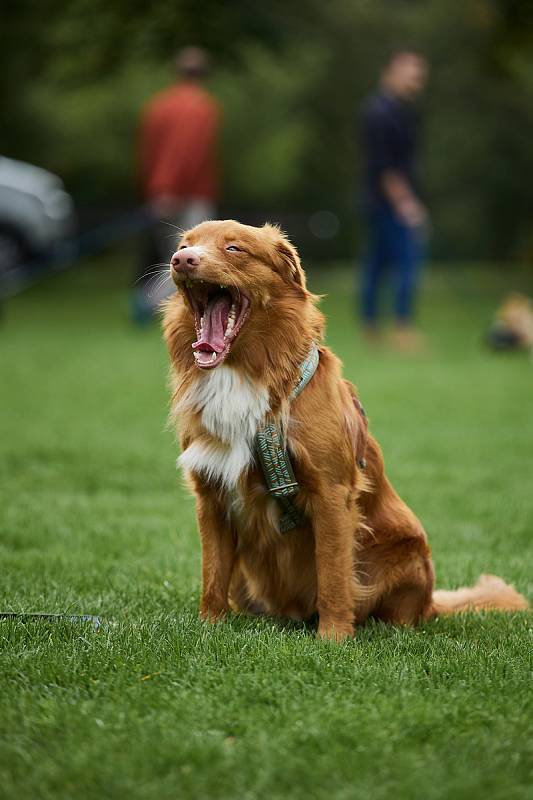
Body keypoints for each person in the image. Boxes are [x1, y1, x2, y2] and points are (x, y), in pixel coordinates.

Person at [132, 47, 221, 322]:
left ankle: (160, 309)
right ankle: (146, 305)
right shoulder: (202, 107)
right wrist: (169, 188)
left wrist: (156, 188)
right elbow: (186, 151)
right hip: (189, 194)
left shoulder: (158, 105)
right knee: (194, 259)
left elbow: (146, 153)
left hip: (162, 192)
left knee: (173, 257)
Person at [359, 49, 429, 349]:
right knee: (405, 262)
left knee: (378, 262)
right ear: (390, 71)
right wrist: (406, 204)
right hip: (388, 201)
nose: (416, 80)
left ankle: (371, 325)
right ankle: (401, 327)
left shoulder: (400, 110)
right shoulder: (380, 112)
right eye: (410, 72)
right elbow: (386, 166)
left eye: (419, 75)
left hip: (380, 201)